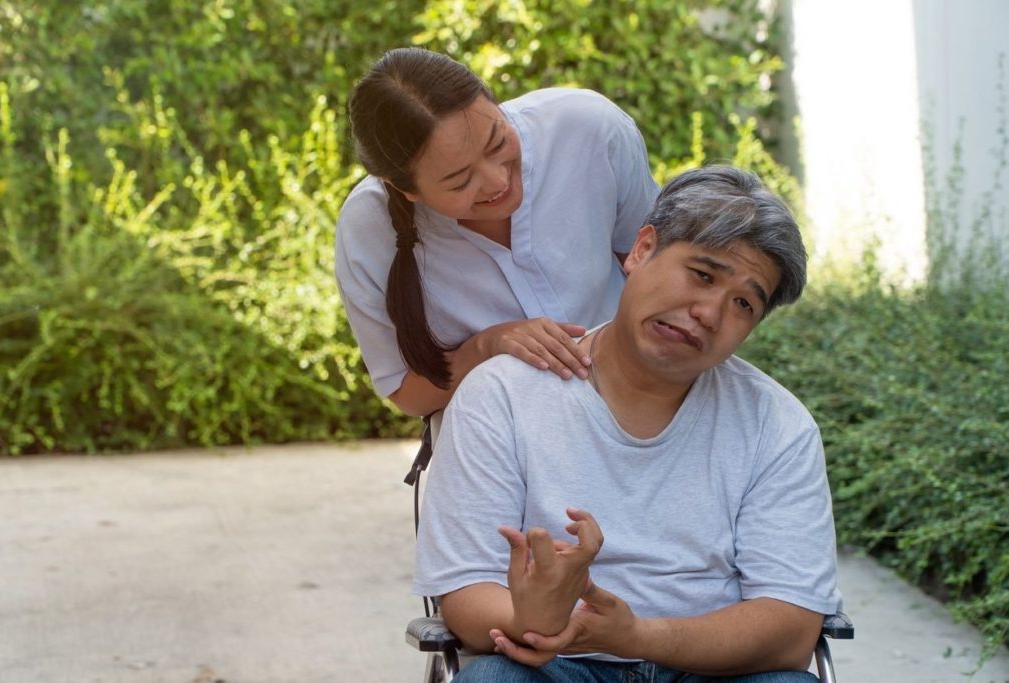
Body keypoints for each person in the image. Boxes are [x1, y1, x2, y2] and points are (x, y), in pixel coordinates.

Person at [412, 166, 843, 682]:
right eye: (702, 274)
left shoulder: (778, 426)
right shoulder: (502, 395)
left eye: (744, 303)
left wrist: (637, 636)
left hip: (712, 670)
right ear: (640, 250)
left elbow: (791, 628)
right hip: (555, 664)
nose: (708, 312)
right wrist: (540, 618)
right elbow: (466, 596)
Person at [334, 47, 659, 417]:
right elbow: (407, 393)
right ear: (405, 189)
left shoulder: (588, 129)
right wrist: (486, 346)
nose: (497, 180)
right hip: (495, 451)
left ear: (493, 100)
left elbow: (658, 271)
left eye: (498, 142)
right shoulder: (368, 228)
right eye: (460, 182)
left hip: (641, 415)